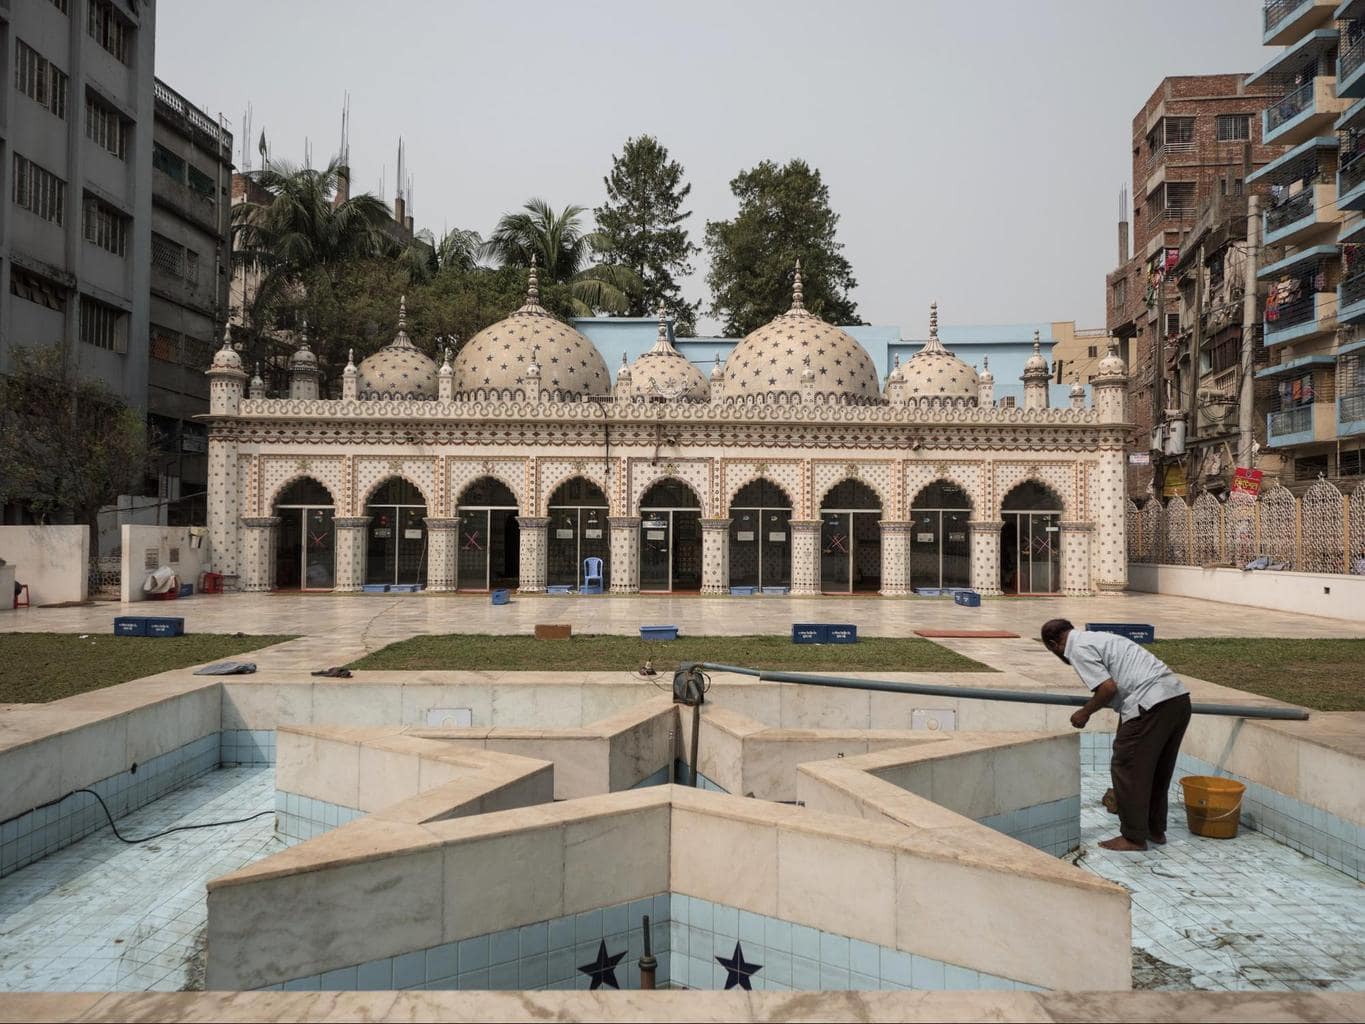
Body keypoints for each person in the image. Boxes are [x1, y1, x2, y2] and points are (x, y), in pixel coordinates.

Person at [1040, 618, 1192, 852]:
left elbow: (1107, 688)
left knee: (1127, 767)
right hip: (1177, 699)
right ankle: (1154, 830)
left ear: (1054, 644)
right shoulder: (1099, 638)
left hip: (1151, 704)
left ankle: (1133, 837)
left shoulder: (1076, 648)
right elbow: (1127, 685)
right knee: (1158, 769)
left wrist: (1085, 713)